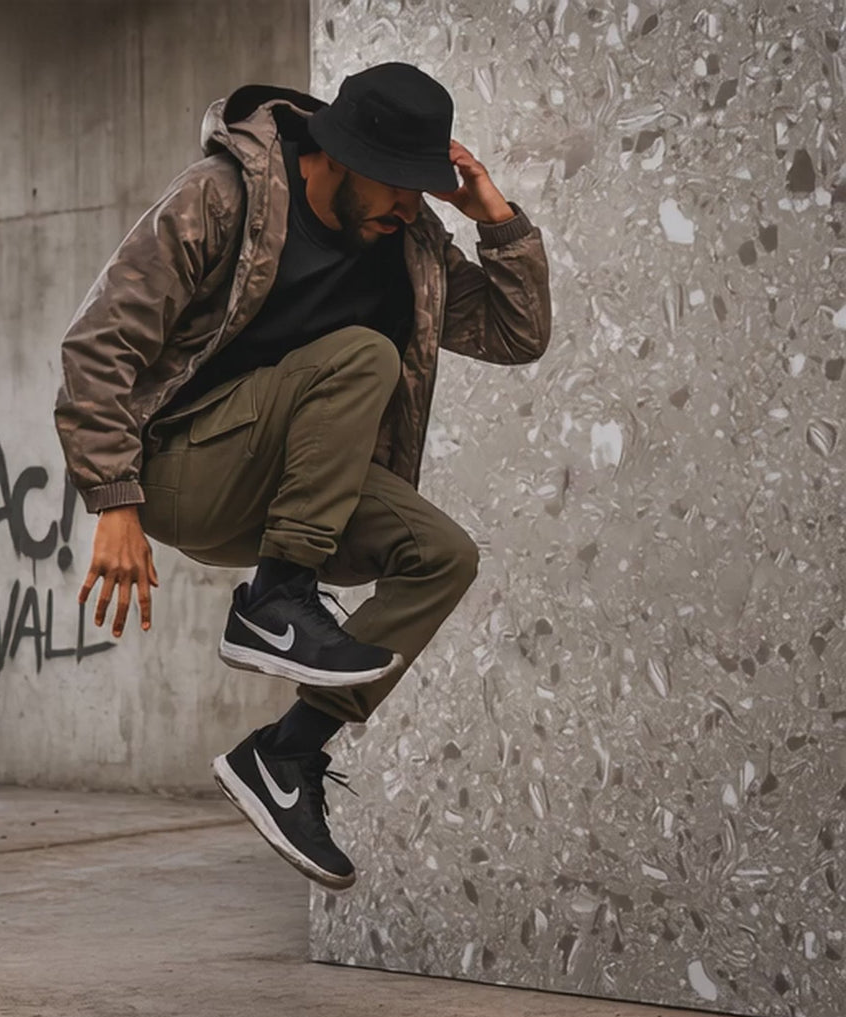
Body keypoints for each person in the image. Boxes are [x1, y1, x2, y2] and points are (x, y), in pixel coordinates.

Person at [55, 62, 551, 891]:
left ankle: (284, 756)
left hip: (290, 496)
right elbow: (100, 344)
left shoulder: (411, 243)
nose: (410, 207)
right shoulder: (223, 197)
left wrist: (495, 219)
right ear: (341, 156)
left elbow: (514, 333)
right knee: (363, 355)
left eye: (421, 190)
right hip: (184, 469)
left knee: (442, 556)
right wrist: (114, 501)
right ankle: (275, 601)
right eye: (397, 186)